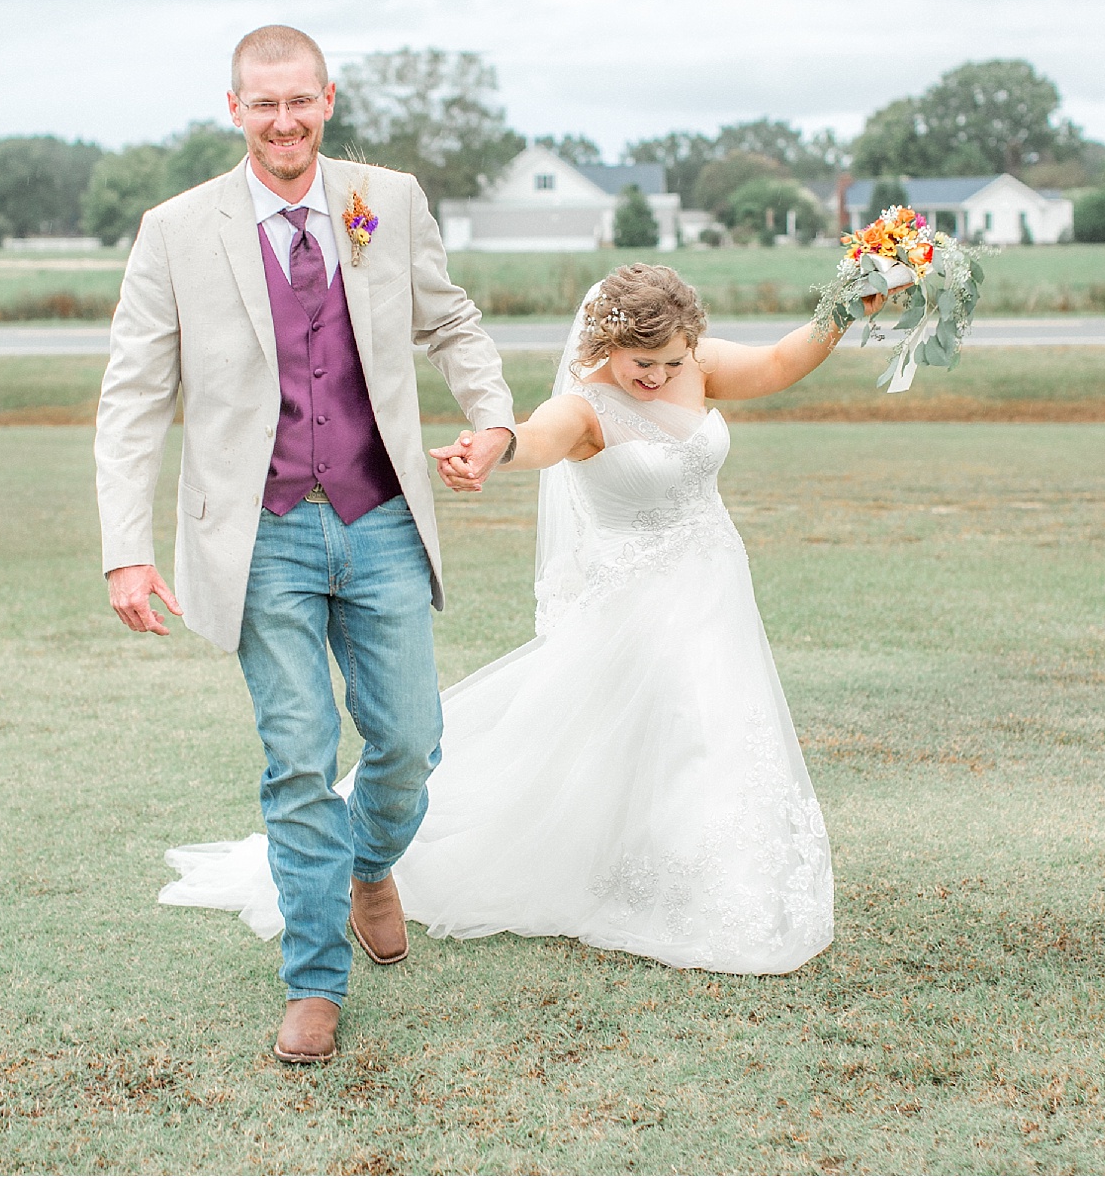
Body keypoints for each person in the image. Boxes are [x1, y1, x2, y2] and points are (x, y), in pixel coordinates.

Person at [162, 264, 898, 977]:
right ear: (605, 345)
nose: (658, 376)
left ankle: (716, 877)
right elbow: (537, 437)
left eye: (670, 361)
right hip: (639, 607)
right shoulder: (584, 407)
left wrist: (847, 308)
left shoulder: (692, 364)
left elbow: (774, 363)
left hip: (713, 587)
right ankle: (384, 862)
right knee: (687, 725)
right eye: (642, 363)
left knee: (721, 729)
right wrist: (496, 446)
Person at [97, 24, 516, 1066]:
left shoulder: (388, 200)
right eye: (262, 103)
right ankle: (315, 984)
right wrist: (125, 547)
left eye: (301, 101)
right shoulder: (174, 230)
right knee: (295, 761)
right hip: (261, 537)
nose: (283, 121)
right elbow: (134, 398)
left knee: (411, 741)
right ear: (233, 109)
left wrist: (496, 421)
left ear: (327, 100)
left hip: (380, 519)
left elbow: (453, 323)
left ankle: (371, 861)